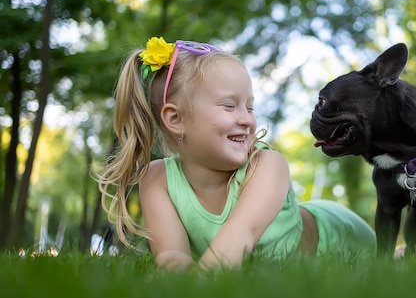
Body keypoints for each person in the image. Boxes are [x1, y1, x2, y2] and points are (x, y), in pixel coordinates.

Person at [98, 37, 376, 270]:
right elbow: (172, 256)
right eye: (230, 106)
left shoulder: (268, 165)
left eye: (250, 107)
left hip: (340, 235)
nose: (247, 120)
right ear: (176, 119)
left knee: (383, 258)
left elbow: (241, 234)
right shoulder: (157, 179)